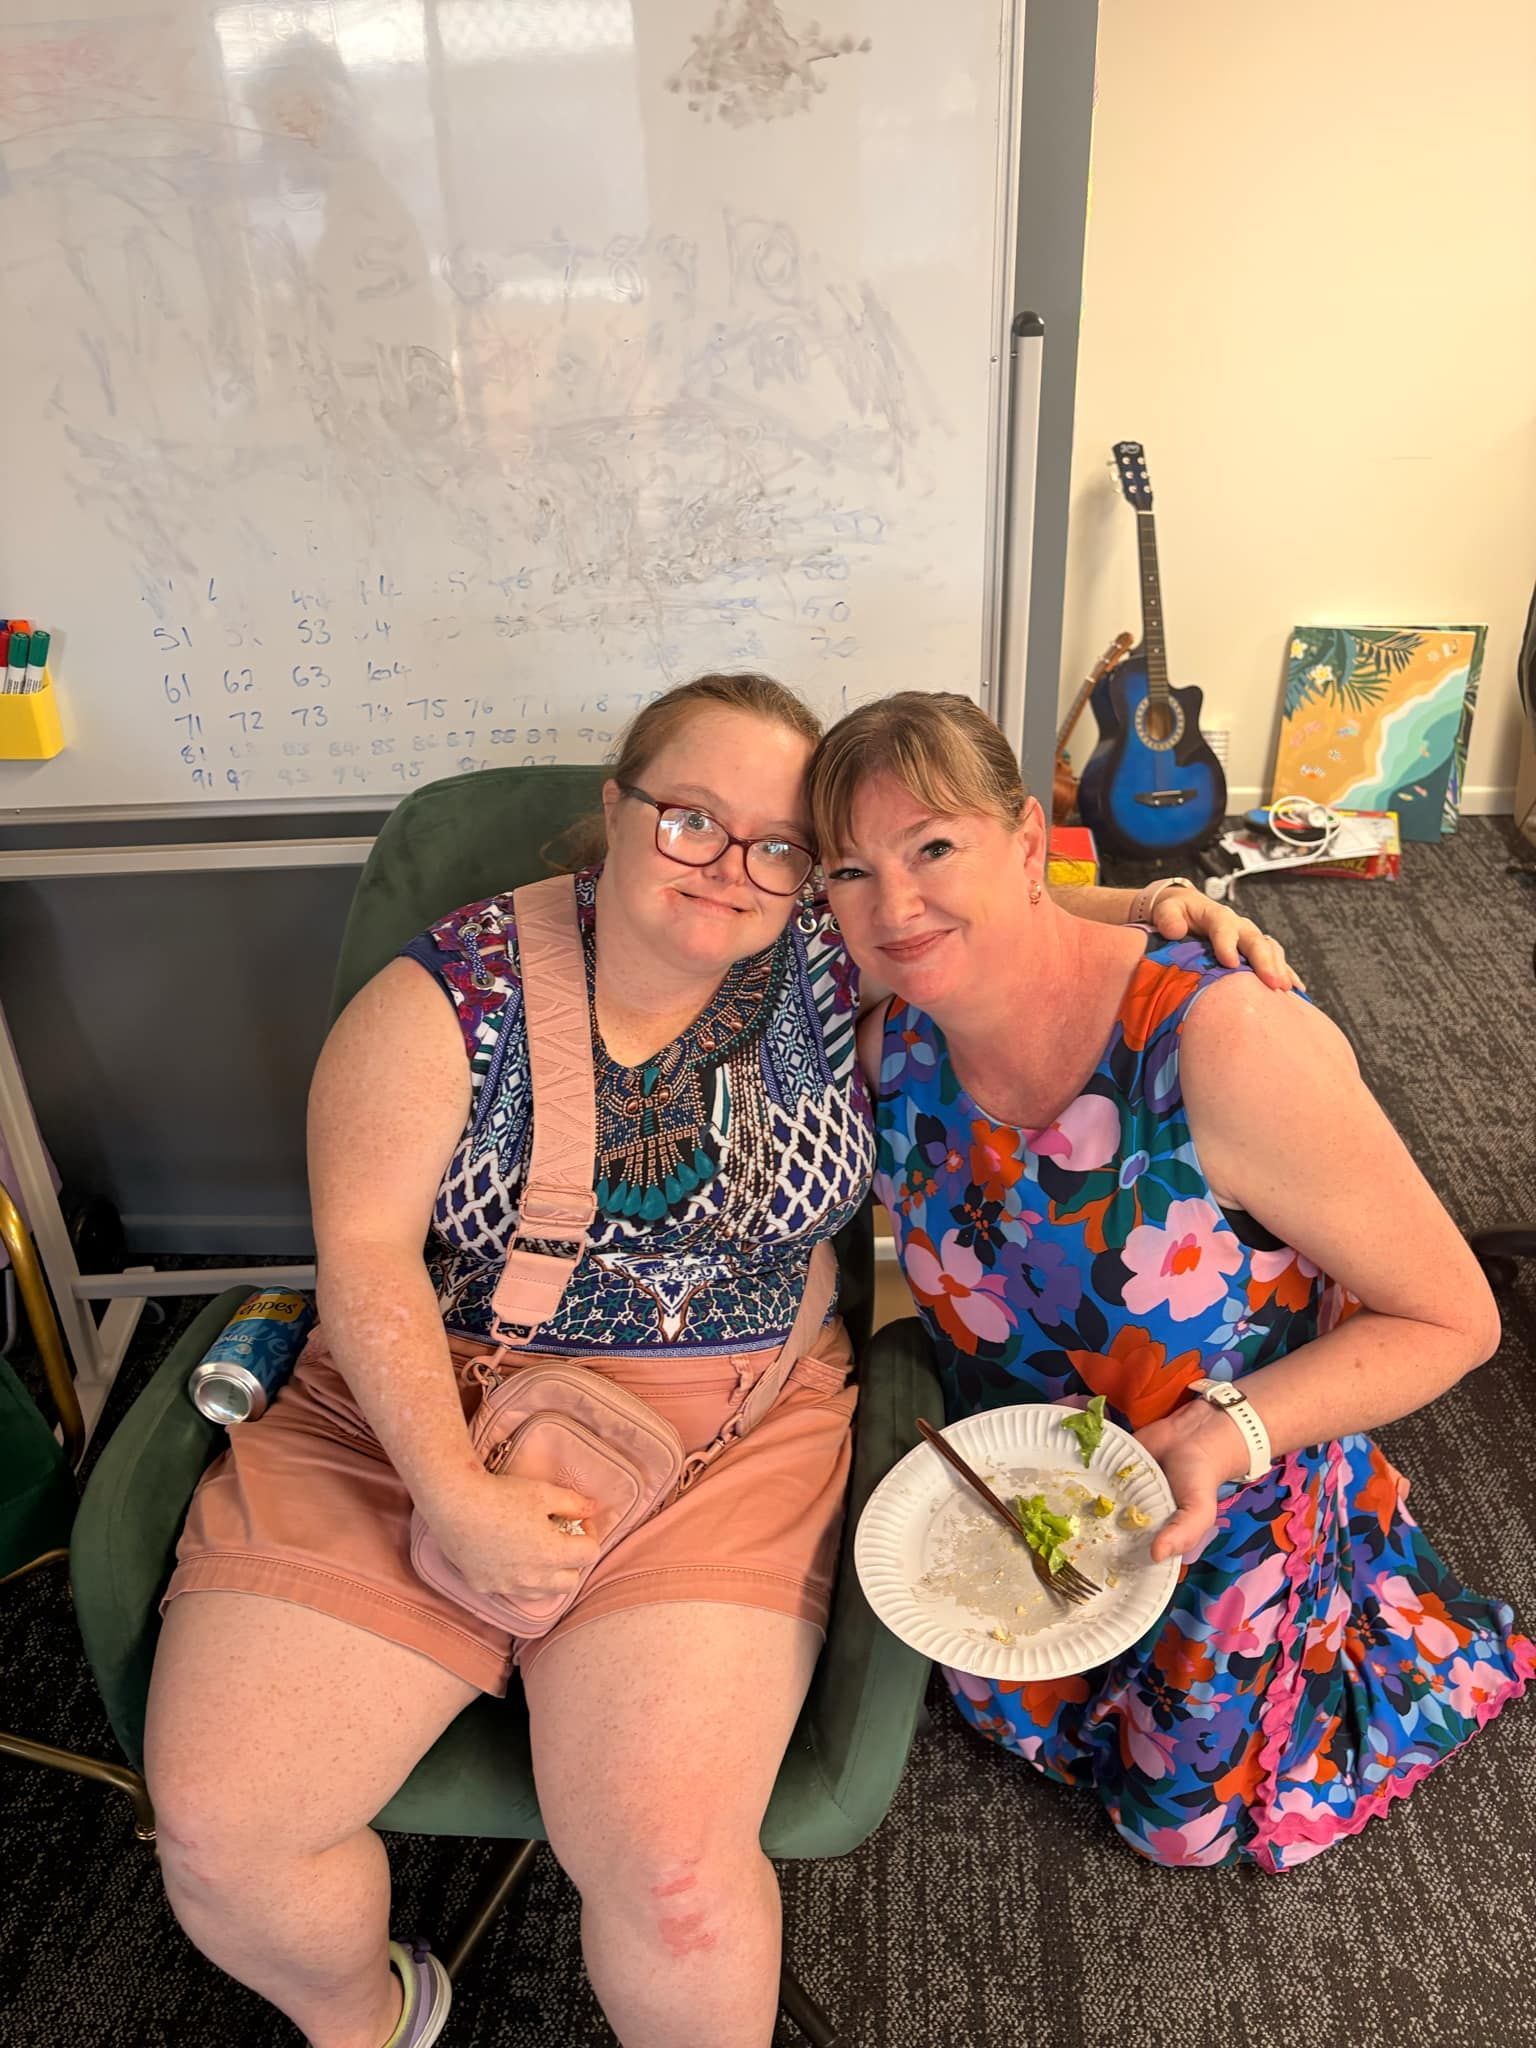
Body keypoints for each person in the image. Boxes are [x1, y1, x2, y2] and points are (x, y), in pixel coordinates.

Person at [143, 672, 1284, 2048]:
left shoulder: (814, 948)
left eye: (780, 845)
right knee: (222, 1839)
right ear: (615, 812)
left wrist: (1159, 909)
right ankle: (373, 2016)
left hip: (730, 1423)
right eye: (690, 818)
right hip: (418, 1399)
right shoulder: (446, 995)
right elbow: (367, 1258)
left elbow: (972, 907)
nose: (732, 870)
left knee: (676, 1879)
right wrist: (448, 1491)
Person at [808, 690, 1532, 1873]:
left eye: (934, 846)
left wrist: (1220, 1435)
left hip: (1220, 1486)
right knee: (999, 1699)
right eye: (847, 871)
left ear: (1031, 841)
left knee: (1184, 1829)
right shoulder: (891, 1036)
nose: (891, 905)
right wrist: (1142, 890)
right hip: (1022, 1482)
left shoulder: (1225, 1043)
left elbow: (1459, 1318)